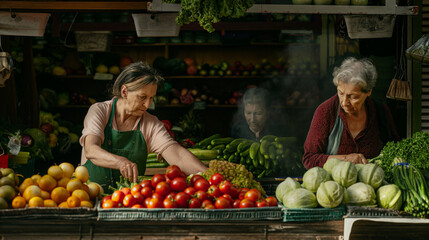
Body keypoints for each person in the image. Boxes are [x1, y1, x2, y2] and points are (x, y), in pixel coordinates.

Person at [79, 62, 207, 191]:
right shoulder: (100, 111)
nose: (147, 105)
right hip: (90, 196)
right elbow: (91, 149)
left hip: (131, 201)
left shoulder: (151, 124)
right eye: (142, 97)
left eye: (151, 98)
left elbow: (178, 156)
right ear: (124, 91)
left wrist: (209, 175)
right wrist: (121, 162)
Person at [302, 57, 400, 169]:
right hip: (335, 185)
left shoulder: (381, 112)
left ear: (368, 92)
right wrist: (346, 159)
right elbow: (309, 159)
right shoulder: (326, 112)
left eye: (353, 96)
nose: (344, 102)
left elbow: (395, 152)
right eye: (341, 93)